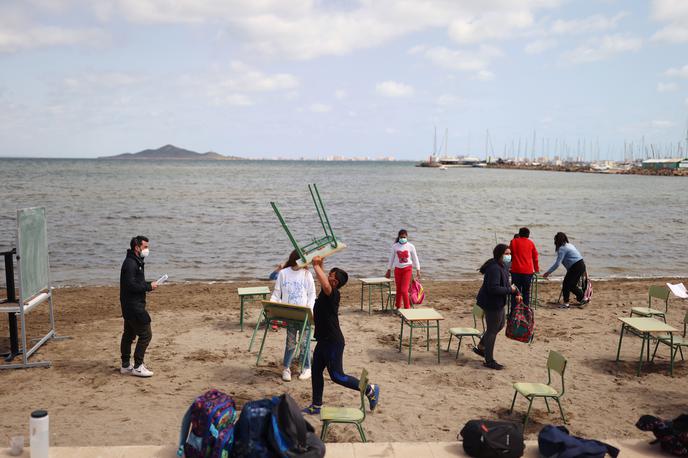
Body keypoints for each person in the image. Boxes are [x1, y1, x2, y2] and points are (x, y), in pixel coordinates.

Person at [302, 256, 380, 415]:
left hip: (333, 342)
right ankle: (316, 405)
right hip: (323, 341)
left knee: (337, 376)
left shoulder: (333, 294)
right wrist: (320, 262)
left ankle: (370, 389)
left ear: (335, 282)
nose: (327, 276)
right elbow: (323, 279)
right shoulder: (326, 291)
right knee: (316, 371)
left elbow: (324, 282)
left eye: (330, 275)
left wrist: (315, 265)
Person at [270, 250, 316, 382]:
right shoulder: (284, 273)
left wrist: (310, 309)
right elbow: (276, 294)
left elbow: (312, 294)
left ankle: (307, 368)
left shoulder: (307, 274)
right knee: (290, 343)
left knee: (304, 342)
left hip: (304, 314)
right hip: (289, 314)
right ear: (297, 259)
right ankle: (286, 368)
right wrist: (273, 307)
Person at [473, 244, 519, 370]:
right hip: (492, 303)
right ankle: (489, 360)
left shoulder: (502, 266)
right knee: (492, 330)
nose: (509, 256)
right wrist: (510, 290)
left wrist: (514, 291)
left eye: (510, 254)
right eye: (506, 254)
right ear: (500, 255)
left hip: (498, 302)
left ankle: (482, 346)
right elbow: (493, 288)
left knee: (500, 325)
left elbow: (504, 283)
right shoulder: (494, 268)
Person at [120, 235, 159, 377]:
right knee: (146, 334)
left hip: (129, 305)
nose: (147, 250)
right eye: (145, 247)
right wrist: (148, 286)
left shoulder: (136, 261)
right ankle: (137, 366)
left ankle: (125, 365)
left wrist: (149, 284)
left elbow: (135, 282)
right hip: (133, 306)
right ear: (137, 248)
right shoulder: (131, 263)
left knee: (129, 334)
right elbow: (131, 285)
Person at [542, 232, 588, 308]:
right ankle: (583, 297)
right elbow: (572, 259)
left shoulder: (562, 249)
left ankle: (566, 303)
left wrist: (548, 272)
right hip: (581, 265)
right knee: (572, 285)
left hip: (576, 266)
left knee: (566, 284)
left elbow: (557, 263)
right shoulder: (569, 245)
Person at [385, 229, 421, 312]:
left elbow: (415, 259)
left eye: (404, 237)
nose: (402, 238)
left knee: (404, 290)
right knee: (398, 290)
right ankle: (397, 307)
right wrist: (388, 270)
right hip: (397, 270)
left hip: (407, 269)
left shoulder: (411, 246)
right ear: (399, 237)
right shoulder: (395, 246)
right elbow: (391, 259)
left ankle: (407, 309)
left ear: (407, 237)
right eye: (401, 237)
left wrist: (418, 270)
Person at [509, 227, 539, 307]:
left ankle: (514, 312)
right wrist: (536, 269)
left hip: (516, 271)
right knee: (526, 292)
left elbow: (509, 254)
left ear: (519, 233)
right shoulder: (531, 243)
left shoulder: (513, 242)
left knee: (515, 291)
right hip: (528, 272)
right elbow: (535, 257)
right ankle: (525, 312)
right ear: (528, 235)